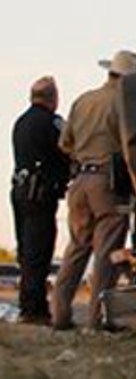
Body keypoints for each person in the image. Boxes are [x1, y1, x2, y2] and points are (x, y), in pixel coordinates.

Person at [51, 49, 136, 331]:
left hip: (80, 181)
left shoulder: (83, 100)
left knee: (76, 248)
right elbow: (132, 145)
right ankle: (97, 319)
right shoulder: (123, 104)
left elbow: (65, 143)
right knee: (106, 252)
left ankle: (60, 315)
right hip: (107, 182)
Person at [9, 76, 71, 325]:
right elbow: (67, 149)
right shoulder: (52, 122)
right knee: (40, 248)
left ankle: (27, 303)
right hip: (40, 193)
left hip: (20, 190)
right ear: (53, 98)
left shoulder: (20, 122)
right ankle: (34, 308)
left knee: (26, 250)